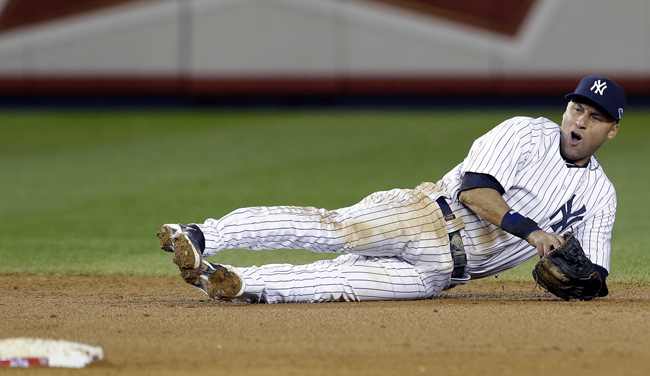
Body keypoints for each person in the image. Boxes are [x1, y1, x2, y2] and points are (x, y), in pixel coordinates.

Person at [157, 74, 625, 303]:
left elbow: (596, 272)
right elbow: (475, 192)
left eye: (595, 117)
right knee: (334, 230)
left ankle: (234, 283)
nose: (580, 121)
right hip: (425, 217)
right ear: (566, 109)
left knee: (338, 284)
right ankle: (201, 235)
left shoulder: (600, 195)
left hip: (439, 277)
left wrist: (584, 283)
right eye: (576, 109)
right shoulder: (524, 133)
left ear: (611, 131)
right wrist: (533, 234)